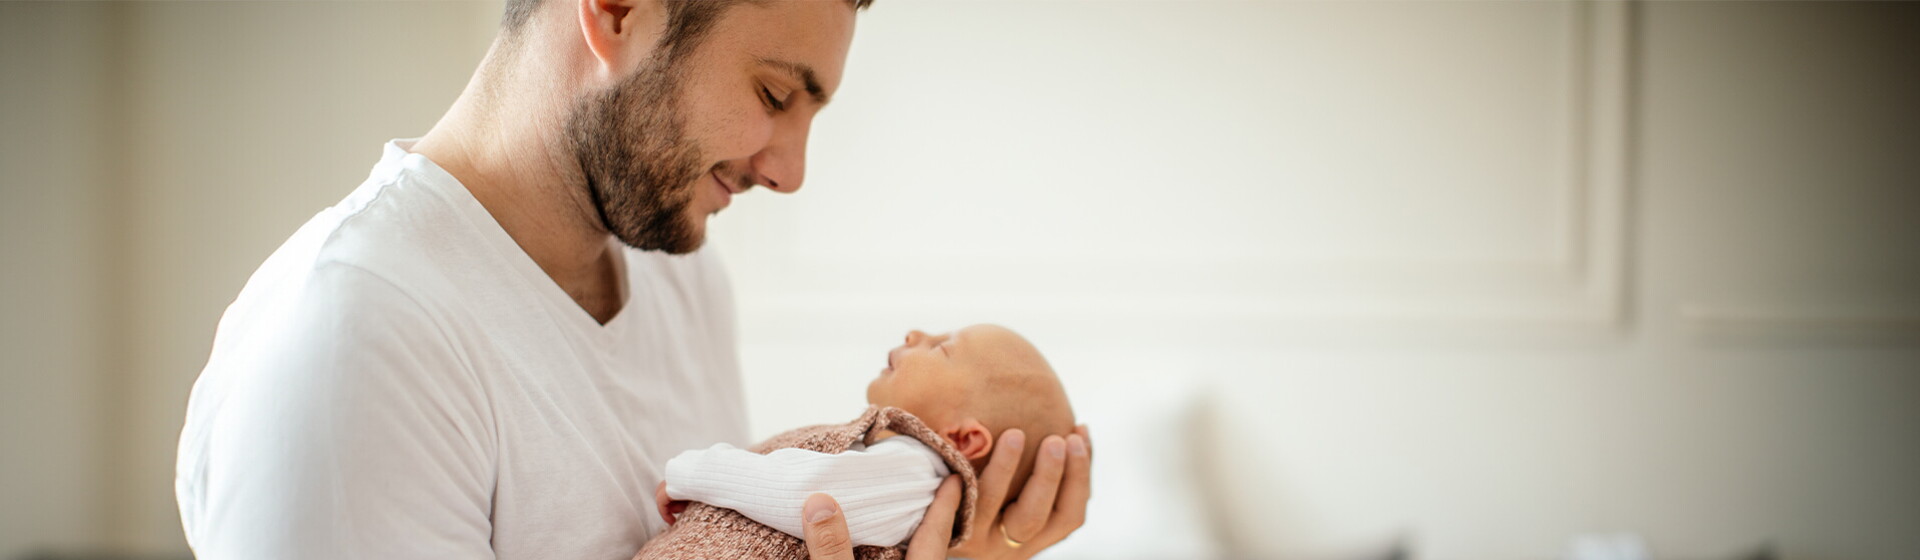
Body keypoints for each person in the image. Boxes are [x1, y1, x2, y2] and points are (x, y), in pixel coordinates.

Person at [171, 1, 1092, 559]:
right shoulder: (356, 341)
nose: (790, 171)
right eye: (775, 93)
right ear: (615, 11)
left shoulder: (681, 276)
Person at [645, 325, 1076, 558]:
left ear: (963, 438)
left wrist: (694, 473)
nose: (915, 333)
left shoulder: (916, 471)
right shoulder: (894, 464)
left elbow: (806, 491)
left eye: (942, 348)